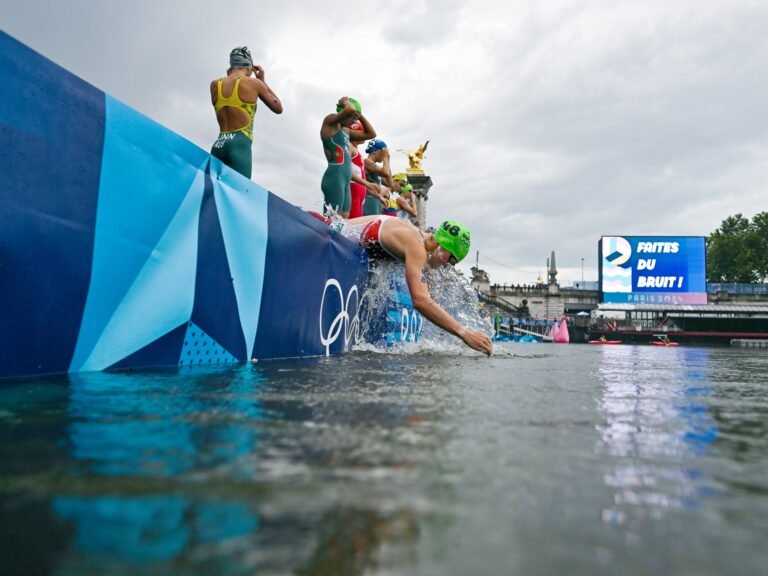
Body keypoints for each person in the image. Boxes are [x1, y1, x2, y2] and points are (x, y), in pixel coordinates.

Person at [344, 215, 493, 355]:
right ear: (443, 246)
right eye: (452, 260)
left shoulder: (424, 245)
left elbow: (432, 299)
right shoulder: (417, 246)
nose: (448, 266)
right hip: (335, 235)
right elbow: (420, 300)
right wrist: (464, 333)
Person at [210, 46, 283, 178]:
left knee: (211, 195)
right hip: (239, 146)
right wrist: (262, 81)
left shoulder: (215, 85)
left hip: (219, 144)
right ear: (248, 67)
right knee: (240, 195)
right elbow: (278, 108)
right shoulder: (254, 84)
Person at [320, 97, 376, 217]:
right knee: (331, 220)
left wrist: (360, 115)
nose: (354, 122)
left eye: (356, 118)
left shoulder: (346, 132)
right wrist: (346, 103)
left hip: (345, 179)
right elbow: (350, 109)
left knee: (343, 221)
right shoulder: (330, 122)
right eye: (353, 117)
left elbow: (371, 134)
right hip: (334, 177)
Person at [363, 139, 393, 216]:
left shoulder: (377, 169)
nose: (384, 154)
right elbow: (385, 173)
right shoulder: (367, 162)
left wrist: (387, 160)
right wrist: (385, 158)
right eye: (383, 152)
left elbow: (390, 183)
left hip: (375, 204)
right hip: (367, 203)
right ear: (375, 151)